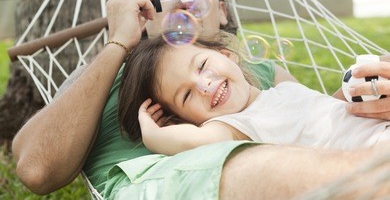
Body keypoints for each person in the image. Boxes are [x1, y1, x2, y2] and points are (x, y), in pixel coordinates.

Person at [11, 0, 390, 199]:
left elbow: (313, 120)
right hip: (175, 176)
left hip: (313, 159)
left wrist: (371, 93)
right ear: (142, 15)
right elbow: (36, 168)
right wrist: (118, 45)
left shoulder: (258, 71)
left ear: (223, 13)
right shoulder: (105, 73)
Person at [118, 34, 390, 156]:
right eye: (186, 96)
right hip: (369, 155)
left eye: (201, 66)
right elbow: (195, 142)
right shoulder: (232, 127)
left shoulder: (280, 89)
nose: (204, 85)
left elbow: (325, 115)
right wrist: (153, 136)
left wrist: (356, 87)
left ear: (227, 55)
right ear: (184, 119)